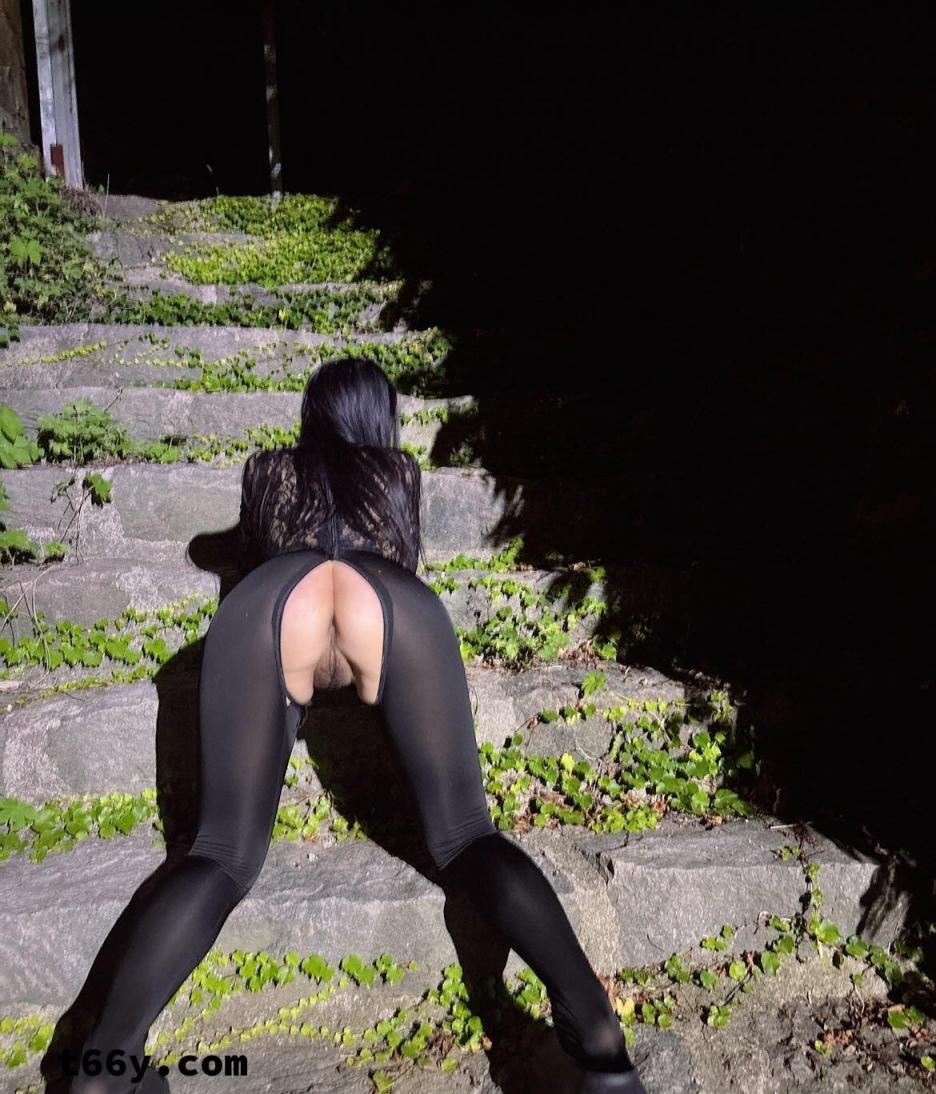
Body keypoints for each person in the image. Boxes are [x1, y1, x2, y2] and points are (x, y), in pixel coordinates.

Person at [59, 358, 646, 1093]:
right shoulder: (397, 473)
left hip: (277, 598)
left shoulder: (269, 470)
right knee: (468, 835)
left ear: (313, 414)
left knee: (220, 853)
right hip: (385, 596)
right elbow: (398, 561)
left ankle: (105, 1066)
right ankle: (600, 1044)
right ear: (381, 417)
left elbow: (233, 555)